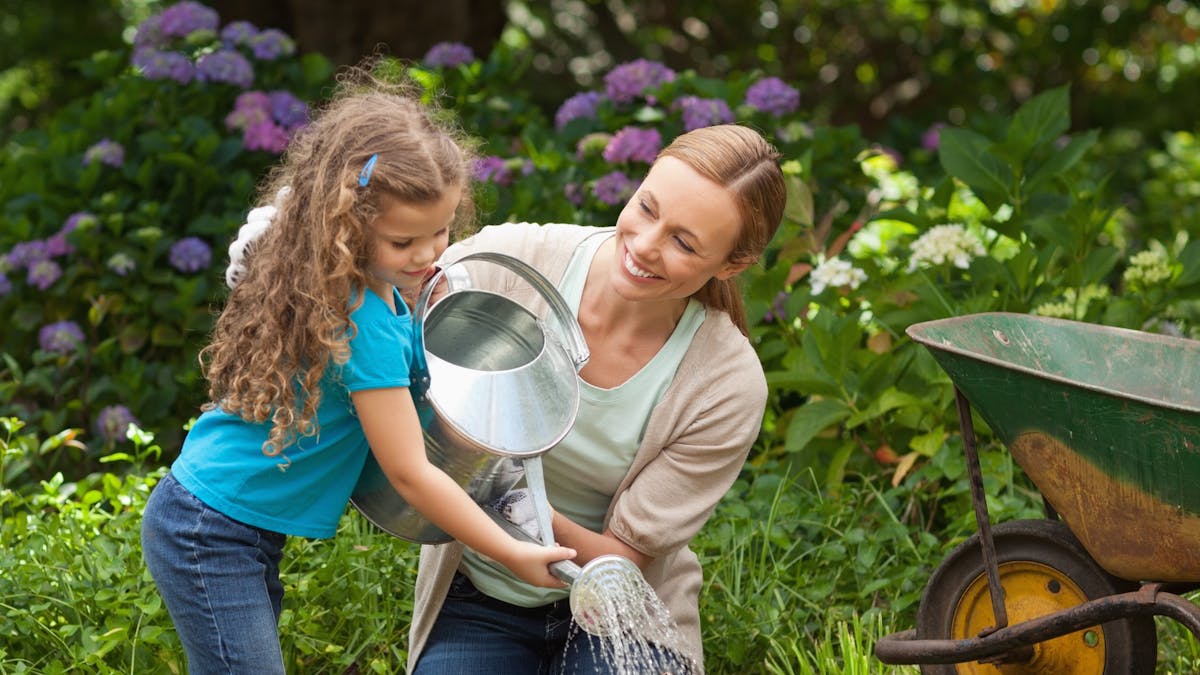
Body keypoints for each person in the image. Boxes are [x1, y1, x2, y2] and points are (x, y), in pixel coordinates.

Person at [139, 69, 575, 675]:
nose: (427, 254)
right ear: (348, 227)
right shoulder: (360, 318)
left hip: (231, 523)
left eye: (441, 232)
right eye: (404, 242)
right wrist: (506, 549)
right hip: (208, 531)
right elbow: (410, 473)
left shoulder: (377, 289)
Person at [408, 123, 786, 674]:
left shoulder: (725, 383)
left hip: (619, 608)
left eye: (684, 243)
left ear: (731, 265)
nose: (646, 246)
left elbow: (620, 560)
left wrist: (498, 489)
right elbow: (398, 297)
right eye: (647, 208)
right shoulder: (517, 262)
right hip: (479, 596)